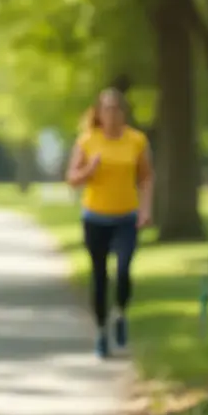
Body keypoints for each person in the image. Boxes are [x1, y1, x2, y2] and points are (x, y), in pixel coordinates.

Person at [64, 87, 153, 359]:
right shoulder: (87, 140)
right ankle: (102, 332)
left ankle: (120, 314)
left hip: (126, 217)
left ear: (123, 112)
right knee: (99, 277)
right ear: (99, 113)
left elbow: (146, 177)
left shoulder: (136, 140)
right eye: (106, 109)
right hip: (95, 218)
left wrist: (145, 209)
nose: (111, 114)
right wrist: (88, 170)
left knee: (124, 270)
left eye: (116, 109)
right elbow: (72, 178)